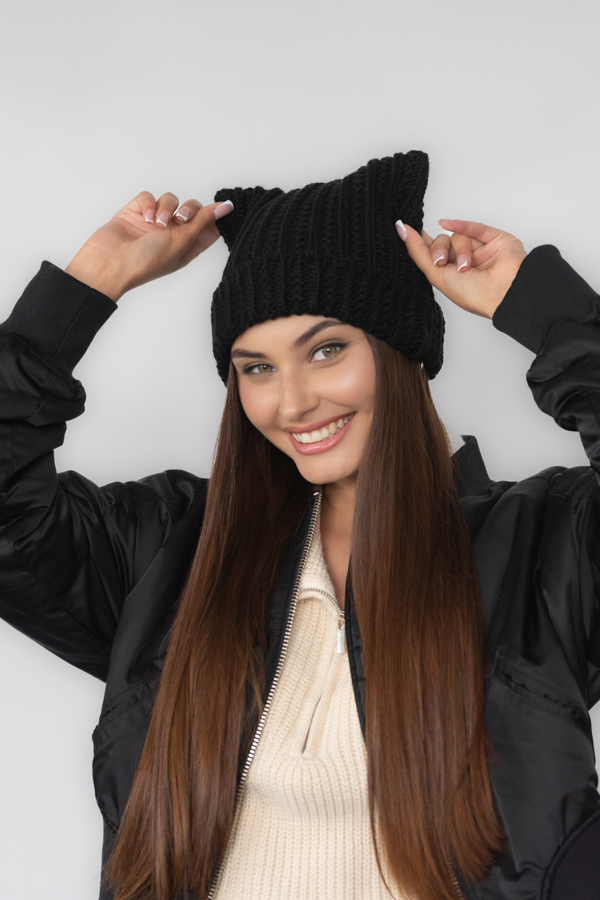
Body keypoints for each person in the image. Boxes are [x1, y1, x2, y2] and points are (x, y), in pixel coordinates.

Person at [0, 150, 598, 900]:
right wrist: (89, 282)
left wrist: (544, 307)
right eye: (256, 367)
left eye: (326, 350)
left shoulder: (542, 552)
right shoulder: (173, 552)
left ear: (404, 353)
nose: (292, 402)